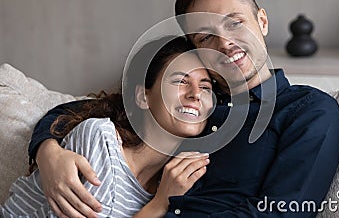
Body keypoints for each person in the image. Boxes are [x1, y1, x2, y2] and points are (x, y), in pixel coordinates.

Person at [27, 0, 339, 217]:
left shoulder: (307, 110)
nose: (225, 43)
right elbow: (84, 110)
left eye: (235, 23)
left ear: (261, 21)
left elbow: (282, 213)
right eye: (206, 37)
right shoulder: (193, 106)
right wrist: (48, 152)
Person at [1, 36, 214, 217]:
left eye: (205, 87)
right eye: (180, 81)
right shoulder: (100, 139)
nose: (196, 93)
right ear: (142, 97)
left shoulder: (175, 183)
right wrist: (158, 206)